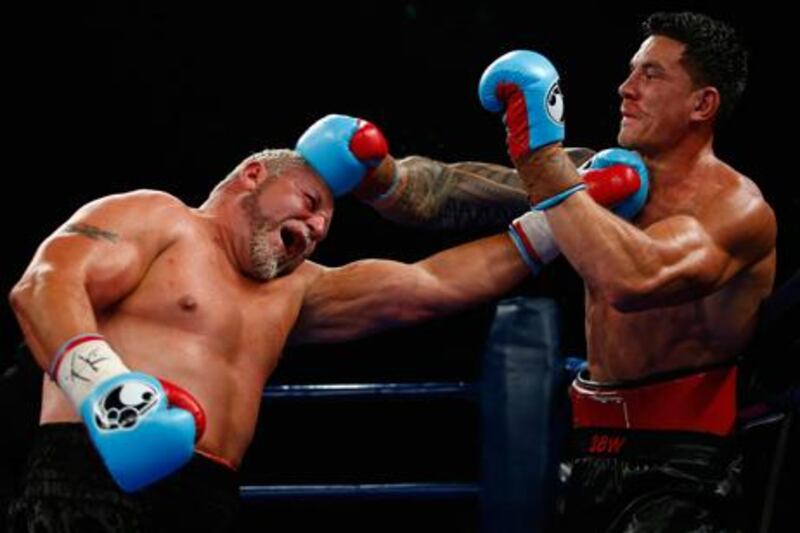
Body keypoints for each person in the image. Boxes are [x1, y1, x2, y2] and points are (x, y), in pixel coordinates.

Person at [6, 112, 646, 532]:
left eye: (323, 225)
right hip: (90, 473)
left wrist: (562, 218)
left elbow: (432, 285)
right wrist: (104, 389)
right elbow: (45, 283)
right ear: (253, 176)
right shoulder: (160, 219)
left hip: (205, 499)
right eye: (310, 204)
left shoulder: (296, 291)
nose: (314, 229)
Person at [473, 10, 776, 532]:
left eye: (651, 74)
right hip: (588, 450)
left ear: (702, 104)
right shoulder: (603, 178)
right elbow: (461, 188)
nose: (625, 88)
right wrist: (379, 175)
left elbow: (634, 279)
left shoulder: (735, 208)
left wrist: (542, 159)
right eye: (632, 70)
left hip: (681, 465)